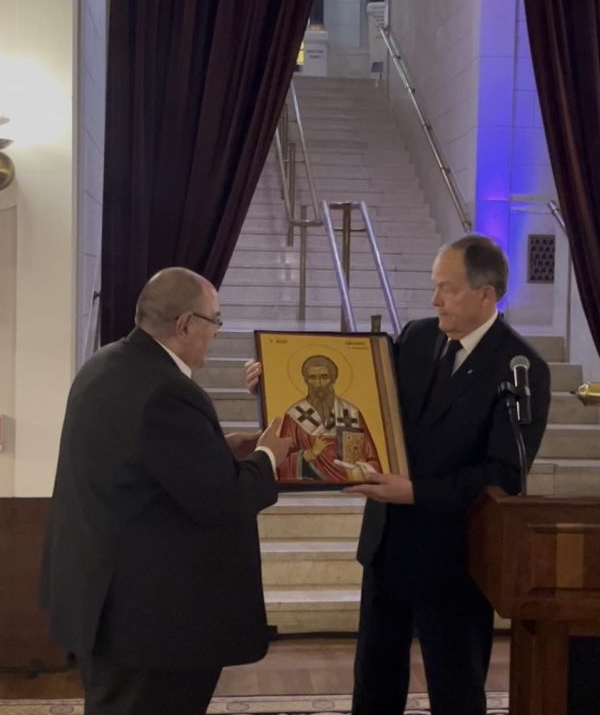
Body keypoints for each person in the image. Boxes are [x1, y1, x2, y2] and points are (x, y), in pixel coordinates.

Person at [246, 234, 551, 715]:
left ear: (486, 294)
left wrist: (416, 493)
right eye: (434, 287)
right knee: (373, 684)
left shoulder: (519, 367)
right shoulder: (416, 337)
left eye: (447, 289)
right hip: (388, 545)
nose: (435, 300)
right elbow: (357, 401)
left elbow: (502, 475)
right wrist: (276, 384)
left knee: (456, 690)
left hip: (456, 557)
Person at [40, 267, 291, 715]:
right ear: (186, 324)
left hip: (104, 598)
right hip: (151, 620)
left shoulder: (107, 363)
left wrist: (220, 448)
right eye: (215, 320)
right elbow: (223, 500)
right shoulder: (167, 390)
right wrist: (268, 457)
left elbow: (146, 461)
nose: (217, 332)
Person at [279, 354, 381, 482]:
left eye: (324, 377)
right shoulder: (294, 415)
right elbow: (282, 461)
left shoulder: (351, 413)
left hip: (351, 488)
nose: (319, 384)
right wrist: (309, 454)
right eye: (312, 378)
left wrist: (360, 469)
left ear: (333, 379)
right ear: (305, 380)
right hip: (312, 489)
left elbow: (372, 459)